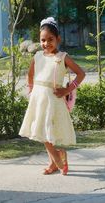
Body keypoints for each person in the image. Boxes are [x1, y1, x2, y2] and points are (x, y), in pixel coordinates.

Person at [19, 17, 85, 175]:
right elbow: (30, 75)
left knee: (47, 131)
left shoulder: (62, 57)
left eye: (50, 39)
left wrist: (66, 91)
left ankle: (56, 159)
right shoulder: (38, 57)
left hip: (53, 99)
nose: (46, 43)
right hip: (38, 98)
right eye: (43, 40)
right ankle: (55, 160)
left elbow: (81, 74)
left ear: (58, 39)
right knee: (41, 130)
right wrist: (31, 90)